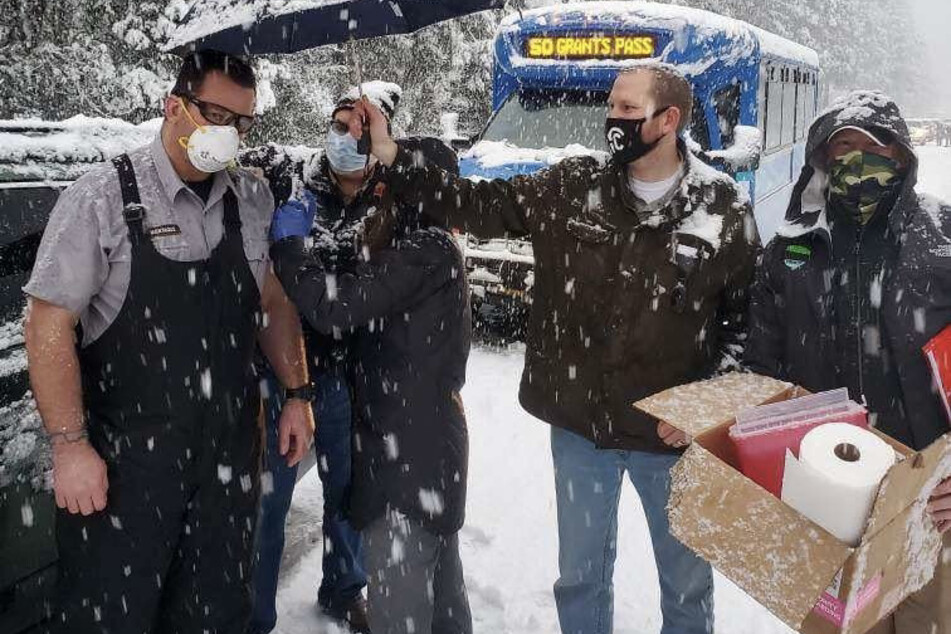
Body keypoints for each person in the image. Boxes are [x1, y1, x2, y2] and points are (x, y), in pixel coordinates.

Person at [349, 62, 759, 634]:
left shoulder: (721, 208)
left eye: (627, 109)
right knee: (581, 578)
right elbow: (479, 203)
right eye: (611, 105)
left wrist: (704, 410)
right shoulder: (572, 186)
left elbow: (746, 324)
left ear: (669, 120)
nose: (612, 120)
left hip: (671, 441)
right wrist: (394, 155)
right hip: (581, 430)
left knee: (686, 585)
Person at [23, 50, 315, 633]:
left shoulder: (250, 200)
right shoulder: (102, 199)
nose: (228, 134)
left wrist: (297, 391)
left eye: (242, 121)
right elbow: (46, 324)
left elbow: (272, 302)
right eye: (216, 114)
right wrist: (69, 446)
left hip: (226, 472)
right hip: (127, 477)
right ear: (174, 106)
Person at [744, 90, 951, 634]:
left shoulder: (943, 237)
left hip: (929, 495)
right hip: (825, 487)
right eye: (839, 152)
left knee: (924, 619)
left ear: (900, 156)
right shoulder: (791, 248)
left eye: (869, 148)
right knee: (835, 624)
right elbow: (761, 374)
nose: (852, 164)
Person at [267, 95, 471, 634]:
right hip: (412, 447)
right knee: (439, 591)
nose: (382, 184)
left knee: (404, 596)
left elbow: (336, 309)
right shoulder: (417, 243)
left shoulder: (424, 250)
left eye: (394, 177)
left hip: (408, 460)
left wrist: (289, 248)